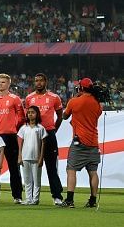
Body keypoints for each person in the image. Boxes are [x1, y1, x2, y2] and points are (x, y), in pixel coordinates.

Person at [61, 78, 103, 208]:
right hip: (94, 142)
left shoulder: (75, 101)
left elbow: (64, 116)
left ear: (81, 88)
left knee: (71, 170)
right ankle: (92, 200)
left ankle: (69, 200)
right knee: (93, 172)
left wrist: (75, 98)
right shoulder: (97, 104)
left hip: (79, 142)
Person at [25, 73, 64, 205]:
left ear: (46, 82)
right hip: (33, 135)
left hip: (49, 133)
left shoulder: (54, 97)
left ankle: (57, 196)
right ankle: (31, 198)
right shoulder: (29, 98)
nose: (39, 83)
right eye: (36, 81)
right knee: (31, 167)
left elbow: (60, 116)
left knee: (51, 167)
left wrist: (53, 129)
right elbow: (27, 116)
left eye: (41, 80)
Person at [0, 73, 25, 203]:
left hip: (10, 136)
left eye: (3, 82)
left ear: (9, 84)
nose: (0, 84)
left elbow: (21, 117)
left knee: (14, 167)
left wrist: (14, 127)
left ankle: (17, 196)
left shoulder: (15, 99)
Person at [17, 105, 47, 205]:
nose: (30, 114)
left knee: (36, 180)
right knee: (27, 180)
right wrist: (20, 156)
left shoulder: (41, 128)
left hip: (36, 157)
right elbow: (20, 144)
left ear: (37, 114)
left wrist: (41, 158)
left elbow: (43, 144)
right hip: (25, 157)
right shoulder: (23, 128)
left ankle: (35, 199)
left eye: (32, 112)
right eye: (29, 112)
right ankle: (28, 199)